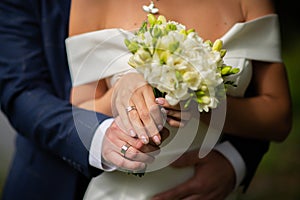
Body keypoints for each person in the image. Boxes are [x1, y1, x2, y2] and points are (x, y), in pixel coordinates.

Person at [66, 0, 292, 199]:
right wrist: (119, 93)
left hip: (212, 190)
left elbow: (279, 118)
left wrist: (201, 105)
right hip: (121, 193)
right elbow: (79, 115)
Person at [0, 1, 163, 200]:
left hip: (186, 178)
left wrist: (211, 152)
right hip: (51, 177)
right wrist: (99, 136)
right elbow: (22, 91)